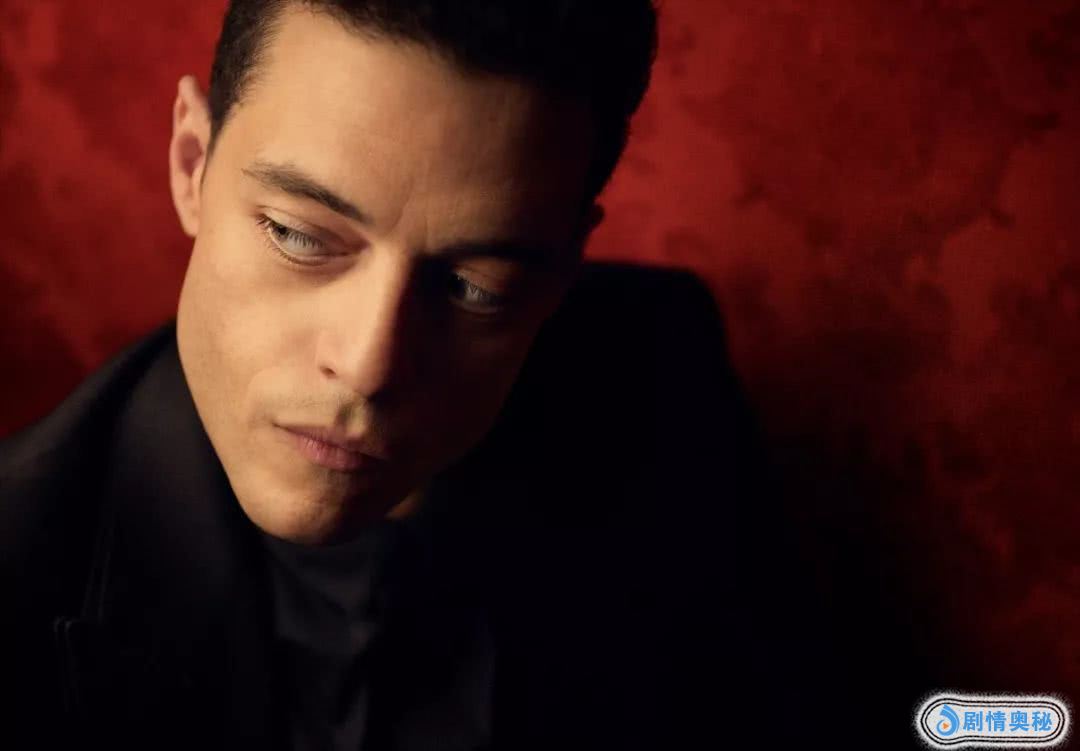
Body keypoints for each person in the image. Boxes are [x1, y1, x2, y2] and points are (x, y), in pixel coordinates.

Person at [0, 1, 793, 748]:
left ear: (562, 268)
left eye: (477, 287)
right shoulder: (18, 572)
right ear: (191, 166)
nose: (368, 364)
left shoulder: (659, 371)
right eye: (299, 235)